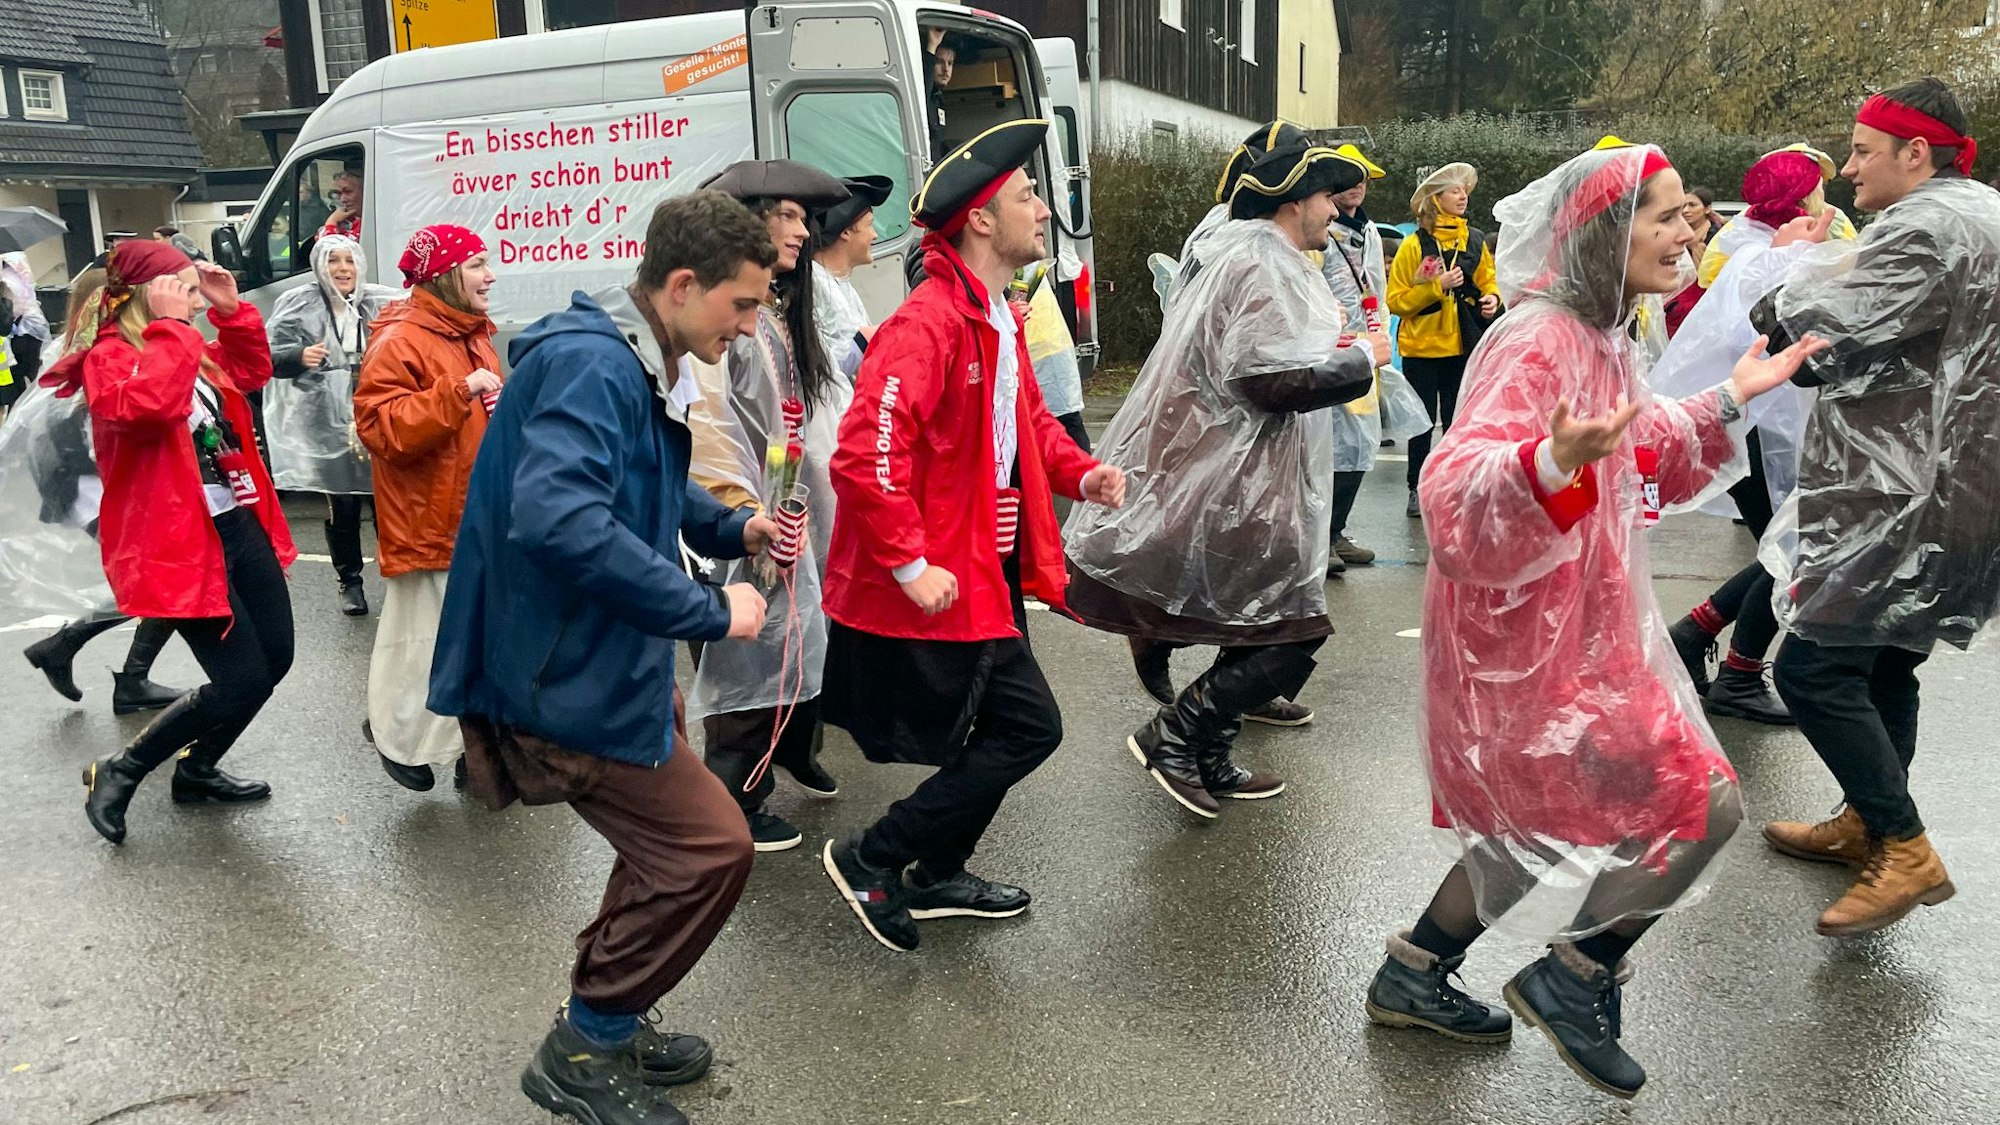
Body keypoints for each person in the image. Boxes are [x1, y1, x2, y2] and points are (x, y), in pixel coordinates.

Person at [1360, 142, 1825, 1098]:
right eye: (1660, 213)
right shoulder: (1538, 339)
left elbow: (1639, 442)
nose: (1686, 229)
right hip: (1524, 641)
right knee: (1706, 803)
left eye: (1686, 214)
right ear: (1604, 232)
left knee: (1530, 817)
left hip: (1579, 627)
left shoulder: (1605, 334)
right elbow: (1454, 492)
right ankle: (1577, 977)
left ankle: (1416, 968)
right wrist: (1541, 466)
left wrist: (1732, 395)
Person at [429, 189, 778, 1125]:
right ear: (680, 283)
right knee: (711, 847)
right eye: (741, 305)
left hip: (608, 656)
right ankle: (581, 1044)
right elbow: (558, 517)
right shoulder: (595, 364)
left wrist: (733, 527)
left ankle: (609, 1022)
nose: (747, 329)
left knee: (663, 845)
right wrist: (708, 607)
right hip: (560, 673)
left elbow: (644, 487)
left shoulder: (635, 355)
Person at [818, 119, 1124, 953]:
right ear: (980, 219)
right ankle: (874, 855)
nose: (1041, 207)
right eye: (1026, 195)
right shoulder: (927, 324)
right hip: (950, 573)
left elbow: (1024, 427)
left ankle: (935, 868)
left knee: (1008, 729)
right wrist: (911, 561)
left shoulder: (994, 314)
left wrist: (1079, 474)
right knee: (1029, 728)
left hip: (985, 568)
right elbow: (863, 453)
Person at [1066, 139, 1386, 819]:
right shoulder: (1260, 262)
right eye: (1327, 196)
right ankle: (1178, 733)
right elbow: (1261, 377)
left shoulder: (1262, 255)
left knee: (1262, 623)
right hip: (1239, 475)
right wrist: (1359, 359)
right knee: (1292, 629)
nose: (1335, 210)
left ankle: (1206, 747)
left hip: (1255, 474)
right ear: (1296, 197)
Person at [1750, 77, 2000, 937]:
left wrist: (1779, 290)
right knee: (1889, 658)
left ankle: (1903, 844)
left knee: (1812, 669)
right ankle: (1868, 816)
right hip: (1958, 487)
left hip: (1895, 492)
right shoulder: (1986, 213)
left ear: (1914, 153)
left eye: (1861, 151)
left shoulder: (1926, 227)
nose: (1848, 170)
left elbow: (1806, 332)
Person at [46, 240, 298, 845]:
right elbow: (153, 405)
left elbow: (252, 372)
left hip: (235, 523)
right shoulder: (111, 358)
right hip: (178, 541)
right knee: (239, 680)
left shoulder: (181, 346)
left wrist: (232, 312)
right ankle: (122, 768)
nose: (193, 299)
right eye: (183, 288)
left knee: (276, 660)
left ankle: (199, 769)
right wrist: (167, 326)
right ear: (146, 297)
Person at [690, 159, 850, 852]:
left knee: (793, 636)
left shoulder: (779, 312)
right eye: (781, 214)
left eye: (800, 216)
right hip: (748, 513)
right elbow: (725, 431)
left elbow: (792, 424)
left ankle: (775, 757)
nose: (799, 229)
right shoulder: (735, 324)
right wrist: (762, 508)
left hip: (786, 501)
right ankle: (731, 796)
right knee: (749, 651)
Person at [1662, 149, 1855, 724]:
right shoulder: (1761, 249)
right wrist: (1798, 254)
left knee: (1789, 542)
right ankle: (1739, 673)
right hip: (1755, 422)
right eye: (1817, 186)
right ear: (1799, 198)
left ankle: (1697, 634)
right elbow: (1768, 320)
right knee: (1793, 548)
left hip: (1765, 420)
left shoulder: (1752, 241)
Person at [354, 225, 498, 792]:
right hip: (432, 522)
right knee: (423, 645)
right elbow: (380, 427)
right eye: (478, 264)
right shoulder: (401, 339)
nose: (490, 275)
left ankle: (474, 753)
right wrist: (456, 394)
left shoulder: (470, 332)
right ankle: (396, 738)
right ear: (444, 274)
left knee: (471, 643)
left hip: (474, 519)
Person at [13, 267, 186, 714]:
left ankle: (96, 662)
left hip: (96, 482)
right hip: (91, 485)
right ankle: (119, 674)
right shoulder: (93, 353)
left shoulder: (92, 347)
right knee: (165, 578)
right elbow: (82, 427)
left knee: (163, 578)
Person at [264, 235, 400, 617]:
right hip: (325, 423)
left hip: (374, 413)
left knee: (385, 501)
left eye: (349, 261)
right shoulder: (298, 303)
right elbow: (267, 355)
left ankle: (397, 574)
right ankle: (350, 582)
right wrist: (298, 355)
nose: (343, 269)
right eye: (334, 261)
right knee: (342, 504)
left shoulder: (380, 301)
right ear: (319, 266)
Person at [1321, 144, 1430, 573]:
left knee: (1361, 445)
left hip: (1367, 346)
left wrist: (1380, 333)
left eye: (1365, 179)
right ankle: (1320, 537)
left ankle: (1336, 531)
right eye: (1353, 178)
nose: (1361, 186)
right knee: (1333, 448)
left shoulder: (1367, 231)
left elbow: (1377, 287)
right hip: (1331, 346)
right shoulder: (1320, 229)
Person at [1387, 161, 1502, 519]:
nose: (1462, 196)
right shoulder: (1413, 246)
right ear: (1435, 200)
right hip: (1421, 349)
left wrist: (1492, 300)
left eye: (1463, 190)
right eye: (1454, 191)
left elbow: (1489, 280)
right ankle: (1416, 488)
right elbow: (1396, 301)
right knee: (1421, 424)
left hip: (1463, 346)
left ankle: (1454, 485)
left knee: (1458, 422)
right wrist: (1437, 287)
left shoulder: (1476, 240)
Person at [807, 173, 893, 542]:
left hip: (847, 434)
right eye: (868, 226)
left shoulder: (839, 284)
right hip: (825, 442)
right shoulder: (814, 282)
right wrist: (864, 341)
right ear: (845, 232)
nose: (874, 235)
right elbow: (817, 365)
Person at [1698, 144, 1859, 287]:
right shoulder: (1742, 232)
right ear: (1805, 193)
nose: (1823, 192)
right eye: (1819, 185)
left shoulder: (1739, 229)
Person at [923, 28, 956, 157]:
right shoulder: (923, 95)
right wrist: (932, 45)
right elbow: (922, 92)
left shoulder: (939, 99)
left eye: (950, 63)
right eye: (939, 62)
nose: (946, 69)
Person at [321, 163, 363, 240]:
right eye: (339, 193)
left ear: (364, 191)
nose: (342, 199)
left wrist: (331, 224)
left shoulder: (372, 223)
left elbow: (332, 249)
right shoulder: (346, 221)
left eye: (348, 191)